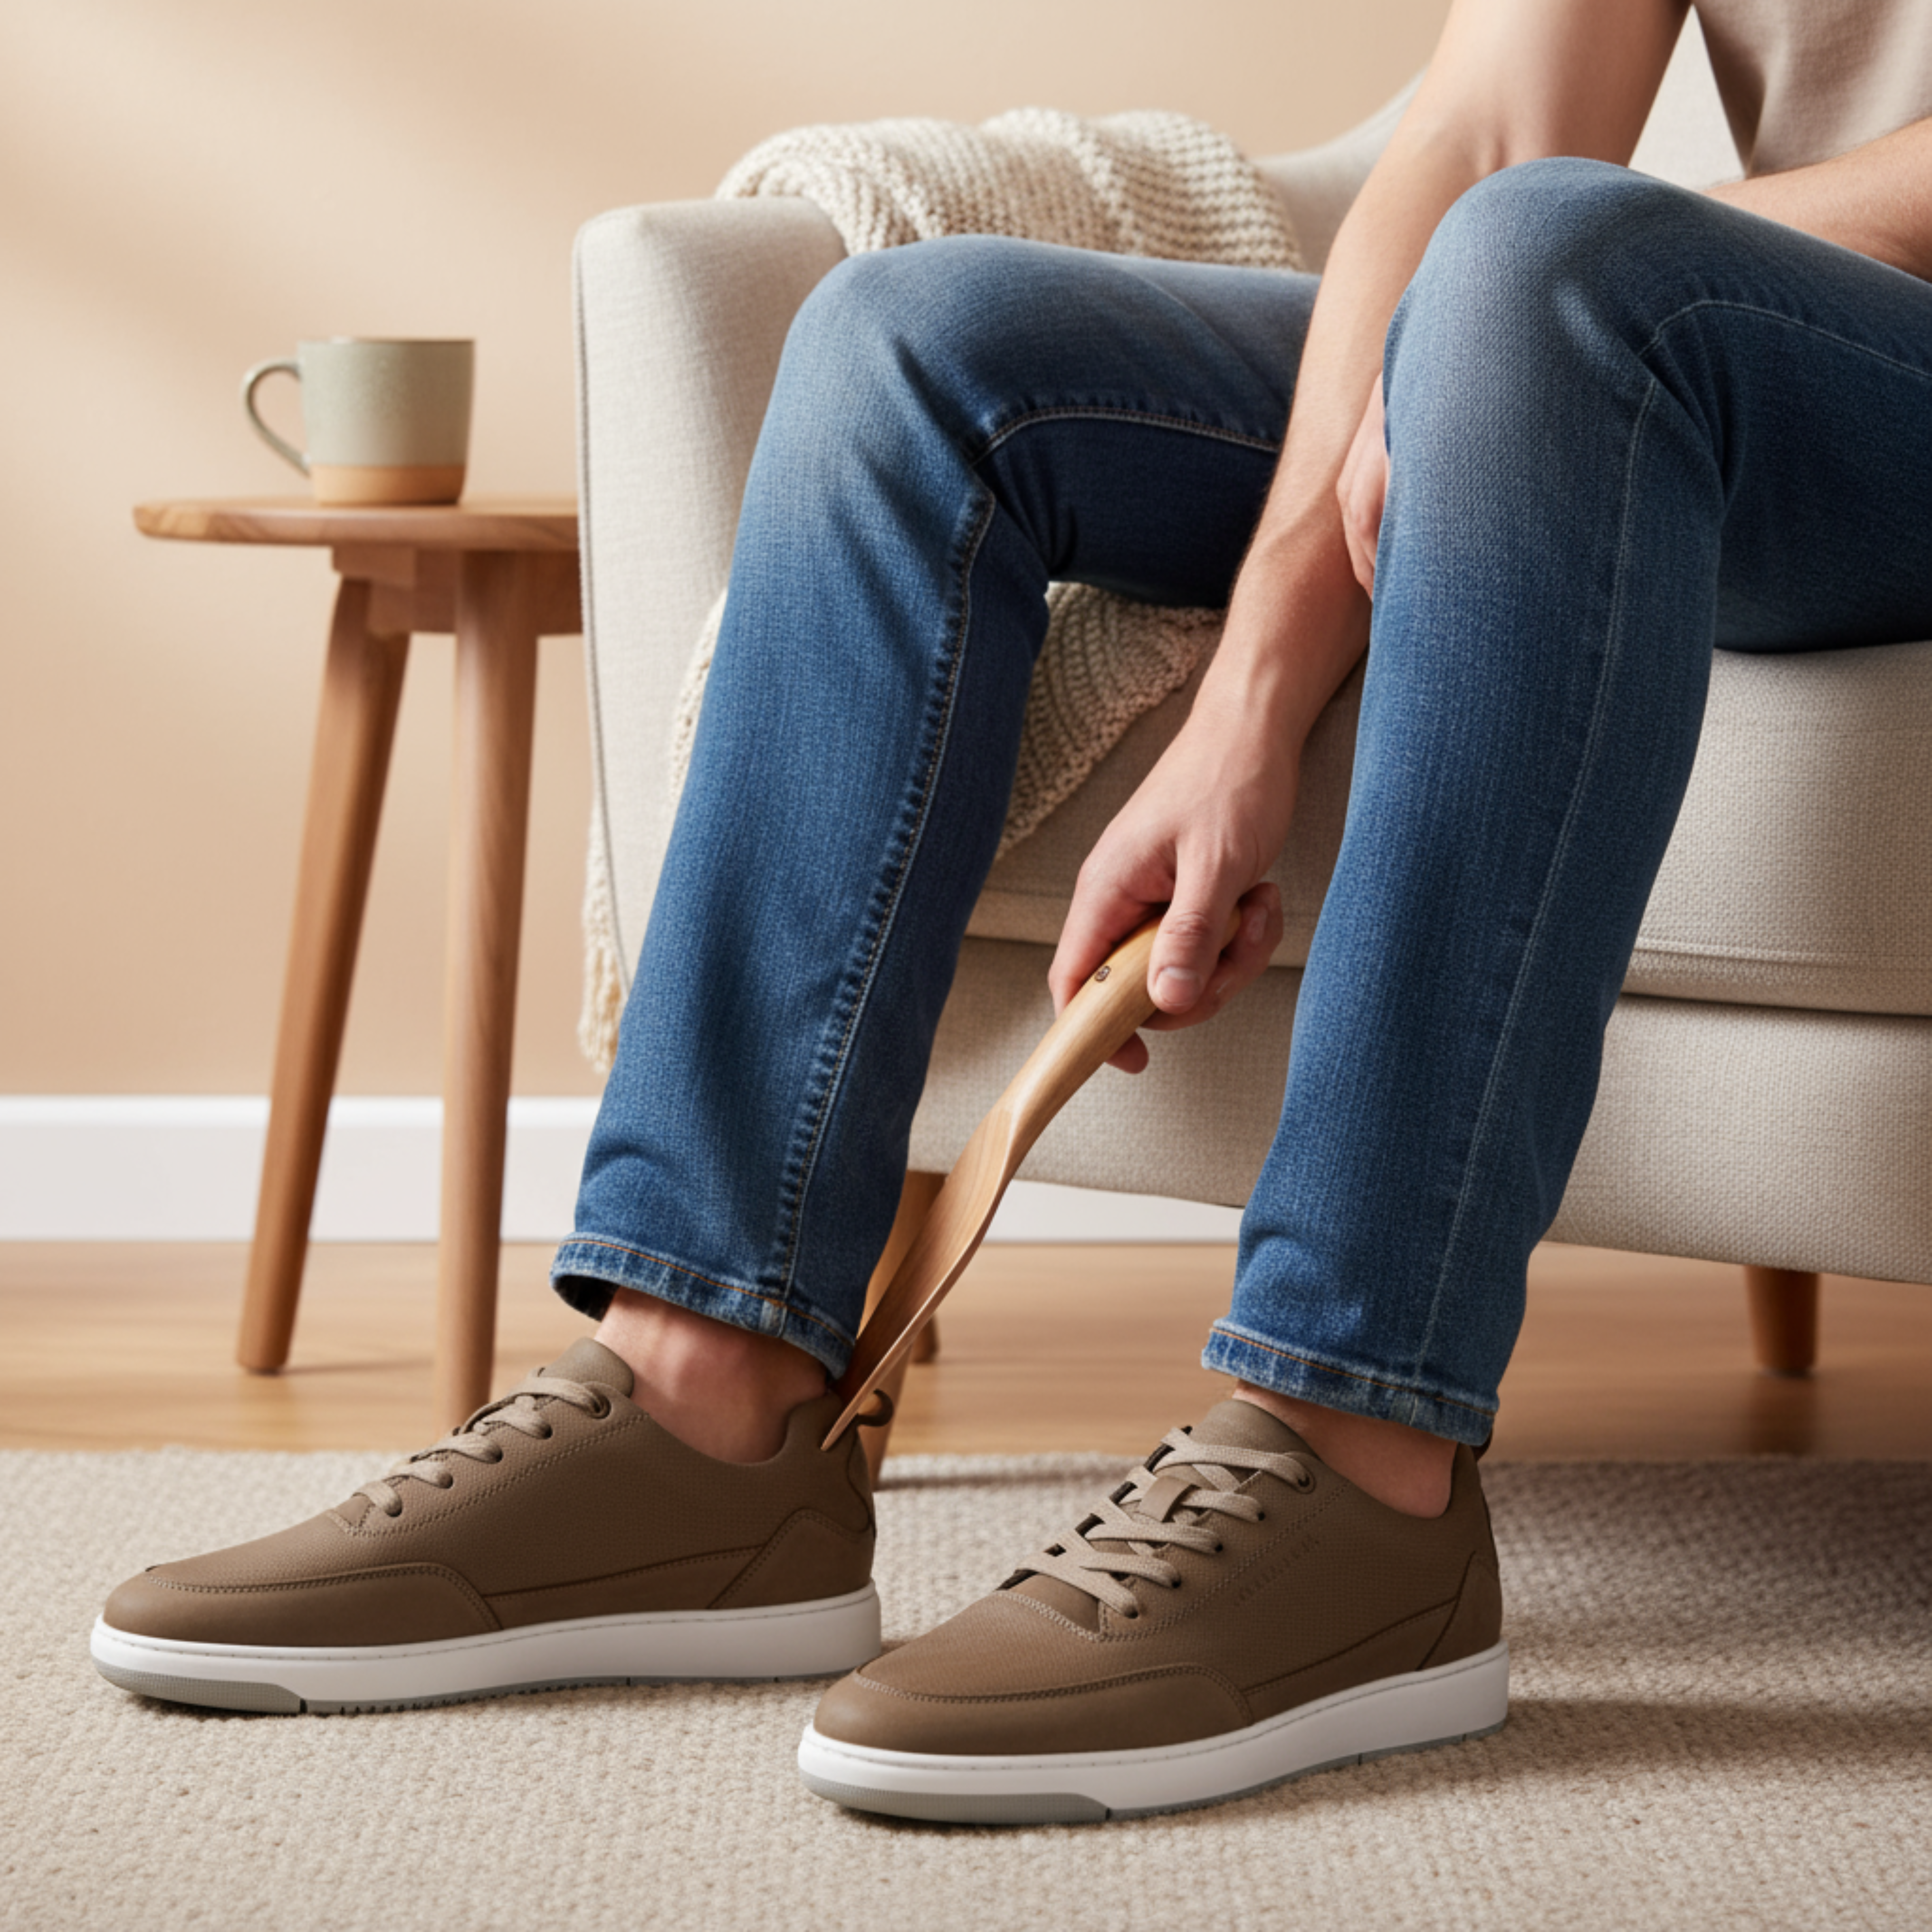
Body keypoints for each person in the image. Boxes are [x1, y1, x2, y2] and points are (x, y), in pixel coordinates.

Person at [92, 0, 1932, 1823]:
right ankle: (703, 1399)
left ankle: (1363, 1455)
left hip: (1789, 352)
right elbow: (1487, 124)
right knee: (926, 342)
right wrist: (1253, 687)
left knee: (1547, 264)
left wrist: (1501, 301)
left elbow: (1528, 225)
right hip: (1666, 347)